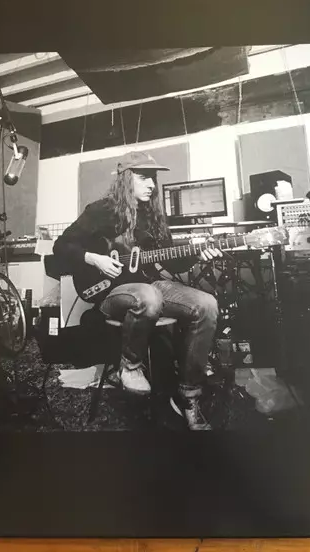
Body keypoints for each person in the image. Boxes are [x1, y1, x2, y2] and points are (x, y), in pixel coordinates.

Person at [53, 150, 222, 430]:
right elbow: (61, 246)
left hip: (148, 285)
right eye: (144, 178)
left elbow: (172, 259)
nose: (152, 185)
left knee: (206, 304)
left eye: (153, 178)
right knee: (148, 296)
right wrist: (95, 259)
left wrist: (198, 253)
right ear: (125, 179)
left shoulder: (154, 215)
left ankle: (189, 394)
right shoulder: (101, 210)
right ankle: (130, 367)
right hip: (109, 291)